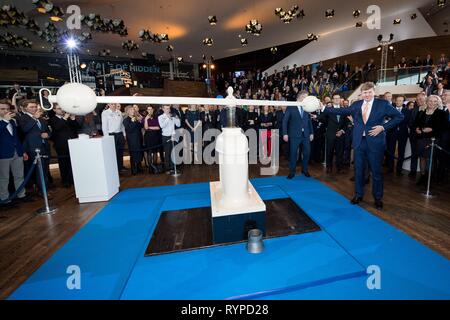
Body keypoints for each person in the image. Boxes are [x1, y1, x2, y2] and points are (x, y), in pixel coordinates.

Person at [323, 82, 404, 210]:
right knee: (358, 171)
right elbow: (341, 110)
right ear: (361, 93)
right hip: (359, 142)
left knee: (376, 172)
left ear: (374, 92)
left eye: (369, 92)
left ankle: (378, 198)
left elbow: (399, 116)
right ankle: (358, 195)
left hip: (375, 142)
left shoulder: (383, 104)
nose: (366, 95)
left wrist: (383, 127)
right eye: (364, 92)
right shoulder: (357, 104)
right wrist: (323, 108)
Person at [18, 99, 51, 195]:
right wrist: (34, 118)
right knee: (38, 170)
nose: (34, 108)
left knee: (45, 170)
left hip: (44, 146)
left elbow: (48, 131)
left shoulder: (41, 119)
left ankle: (44, 188)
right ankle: (43, 191)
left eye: (35, 106)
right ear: (25, 108)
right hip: (33, 148)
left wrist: (47, 135)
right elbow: (25, 130)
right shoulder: (22, 118)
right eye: (31, 107)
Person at [0, 99, 29, 207]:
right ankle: (5, 199)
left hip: (17, 152)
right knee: (4, 178)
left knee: (19, 175)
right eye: (2, 109)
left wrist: (22, 151)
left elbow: (16, 137)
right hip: (3, 154)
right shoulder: (7, 121)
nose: (5, 111)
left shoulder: (12, 121)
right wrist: (5, 121)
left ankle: (21, 195)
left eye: (7, 109)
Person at [413, 95, 447, 185]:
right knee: (422, 158)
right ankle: (423, 176)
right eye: (430, 101)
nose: (432, 103)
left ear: (438, 103)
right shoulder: (421, 112)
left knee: (430, 159)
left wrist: (433, 130)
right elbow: (415, 124)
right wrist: (416, 129)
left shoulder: (442, 113)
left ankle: (430, 179)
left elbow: (444, 127)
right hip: (421, 139)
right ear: (427, 102)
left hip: (433, 140)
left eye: (435, 101)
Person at [282, 91, 314, 179]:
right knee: (293, 153)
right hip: (294, 135)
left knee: (307, 152)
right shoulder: (291, 107)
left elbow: (309, 121)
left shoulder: (307, 107)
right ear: (301, 97)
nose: (307, 99)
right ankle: (292, 172)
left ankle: (305, 170)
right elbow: (285, 121)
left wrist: (311, 132)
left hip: (306, 135)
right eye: (306, 97)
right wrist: (285, 133)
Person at [48, 104, 79, 187]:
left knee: (72, 162)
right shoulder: (52, 119)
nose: (61, 110)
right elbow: (57, 128)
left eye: (62, 108)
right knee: (63, 163)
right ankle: (65, 181)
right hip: (61, 144)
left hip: (72, 142)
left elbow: (76, 128)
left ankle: (72, 179)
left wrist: (73, 119)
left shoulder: (67, 119)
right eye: (59, 109)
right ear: (54, 110)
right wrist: (65, 118)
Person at [318, 94, 349, 173]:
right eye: (335, 98)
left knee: (340, 152)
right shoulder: (328, 109)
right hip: (330, 134)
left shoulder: (344, 110)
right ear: (332, 100)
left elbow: (346, 123)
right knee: (329, 151)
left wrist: (342, 131)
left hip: (341, 134)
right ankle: (329, 167)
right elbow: (321, 118)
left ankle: (339, 168)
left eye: (338, 98)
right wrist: (318, 114)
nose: (337, 100)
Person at [385, 95, 410, 176]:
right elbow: (388, 120)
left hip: (403, 133)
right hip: (392, 133)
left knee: (401, 151)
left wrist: (394, 120)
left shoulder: (407, 111)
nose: (399, 102)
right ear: (395, 101)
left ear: (403, 102)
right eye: (397, 100)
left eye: (401, 100)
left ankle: (399, 169)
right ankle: (390, 168)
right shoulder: (390, 110)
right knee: (391, 151)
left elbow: (406, 120)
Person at [101, 103, 126, 172]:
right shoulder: (105, 113)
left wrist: (124, 134)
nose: (113, 105)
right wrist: (106, 137)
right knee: (112, 153)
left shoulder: (119, 112)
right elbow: (104, 126)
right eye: (112, 104)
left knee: (120, 153)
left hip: (120, 134)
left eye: (114, 104)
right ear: (108, 105)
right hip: (111, 135)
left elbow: (122, 125)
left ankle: (120, 169)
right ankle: (113, 170)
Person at [158, 105, 181, 174]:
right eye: (166, 108)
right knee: (167, 153)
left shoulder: (173, 115)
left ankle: (173, 167)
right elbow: (162, 126)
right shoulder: (161, 117)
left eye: (169, 108)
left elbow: (178, 125)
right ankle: (167, 169)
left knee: (173, 152)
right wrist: (168, 118)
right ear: (163, 109)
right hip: (166, 136)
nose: (168, 110)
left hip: (173, 136)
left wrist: (177, 118)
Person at [123, 105, 144, 175]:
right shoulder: (126, 120)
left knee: (139, 153)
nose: (133, 111)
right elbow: (129, 129)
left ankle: (139, 168)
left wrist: (140, 120)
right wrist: (132, 121)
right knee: (134, 154)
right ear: (128, 111)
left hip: (138, 138)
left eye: (133, 110)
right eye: (131, 110)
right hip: (132, 140)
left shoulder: (135, 118)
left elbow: (141, 126)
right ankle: (134, 170)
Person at [143, 106, 163, 170]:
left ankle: (155, 166)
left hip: (155, 136)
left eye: (151, 109)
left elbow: (158, 127)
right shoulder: (144, 118)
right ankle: (150, 167)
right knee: (149, 152)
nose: (150, 110)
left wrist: (149, 127)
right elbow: (145, 128)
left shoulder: (156, 117)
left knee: (154, 152)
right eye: (148, 109)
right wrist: (146, 119)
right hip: (148, 136)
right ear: (147, 110)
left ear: (153, 110)